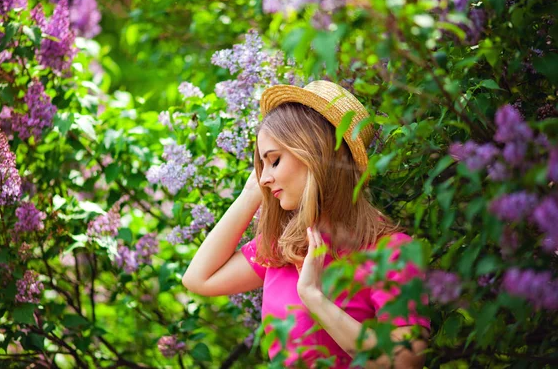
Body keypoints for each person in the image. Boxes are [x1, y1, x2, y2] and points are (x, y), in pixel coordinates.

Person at [182, 80, 430, 368]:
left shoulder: (391, 252)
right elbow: (198, 278)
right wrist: (251, 194)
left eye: (274, 161)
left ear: (315, 155)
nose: (265, 177)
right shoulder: (285, 245)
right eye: (261, 165)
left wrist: (314, 298)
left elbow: (406, 362)